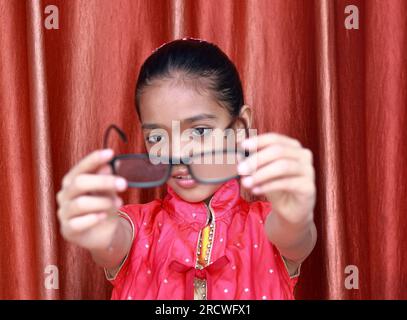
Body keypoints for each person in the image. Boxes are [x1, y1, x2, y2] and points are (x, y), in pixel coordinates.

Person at [56, 38, 317, 300]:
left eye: (200, 131)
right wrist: (98, 228)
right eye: (157, 137)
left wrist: (295, 218)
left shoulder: (268, 227)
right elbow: (111, 241)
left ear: (239, 128)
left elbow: (296, 237)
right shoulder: (136, 229)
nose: (177, 154)